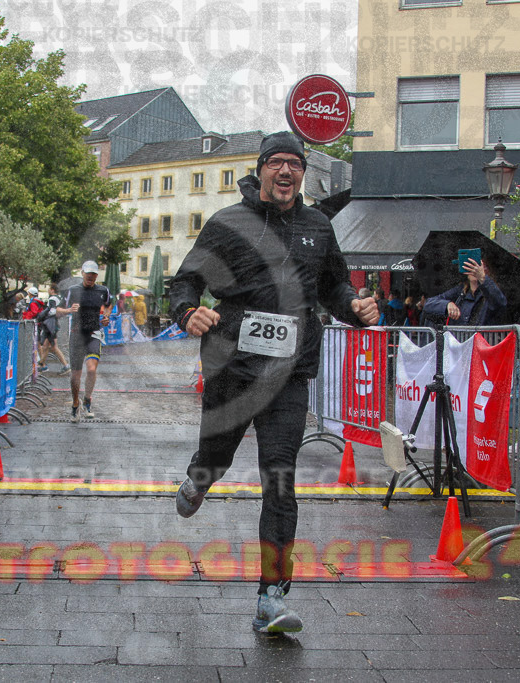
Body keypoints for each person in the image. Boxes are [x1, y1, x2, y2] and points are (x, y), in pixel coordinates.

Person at [169, 131, 379, 634]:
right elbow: (185, 280)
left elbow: (333, 285)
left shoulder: (317, 226)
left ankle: (272, 596)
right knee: (216, 459)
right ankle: (201, 475)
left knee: (280, 480)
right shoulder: (227, 223)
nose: (286, 172)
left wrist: (352, 308)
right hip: (231, 368)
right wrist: (186, 311)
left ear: (303, 174)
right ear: (261, 169)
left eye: (296, 165)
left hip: (289, 373)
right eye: (277, 163)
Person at [59, 261, 112, 422]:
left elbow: (109, 305)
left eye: (94, 274)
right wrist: (68, 310)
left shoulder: (103, 290)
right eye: (88, 273)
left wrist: (106, 316)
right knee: (76, 375)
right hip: (76, 335)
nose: (90, 276)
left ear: (97, 275)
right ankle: (75, 404)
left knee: (91, 369)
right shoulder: (73, 290)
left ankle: (87, 400)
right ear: (82, 273)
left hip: (94, 333)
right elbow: (58, 310)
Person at [423, 257, 507, 325]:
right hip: (461, 342)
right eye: (471, 266)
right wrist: (447, 304)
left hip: (481, 343)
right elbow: (429, 304)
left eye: (478, 266)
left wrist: (482, 277)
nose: (474, 270)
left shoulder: (490, 290)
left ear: (487, 270)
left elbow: (499, 302)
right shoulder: (461, 290)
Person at [37, 284, 70, 374]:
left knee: (54, 347)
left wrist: (43, 314)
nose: (48, 290)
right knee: (45, 346)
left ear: (52, 290)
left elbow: (52, 310)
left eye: (49, 289)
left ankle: (65, 365)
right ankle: (42, 365)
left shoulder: (52, 299)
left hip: (50, 324)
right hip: (53, 324)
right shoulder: (59, 298)